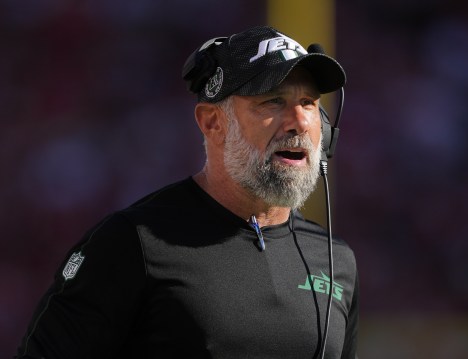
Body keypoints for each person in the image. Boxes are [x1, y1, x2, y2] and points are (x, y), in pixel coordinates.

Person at [16, 25, 359, 359]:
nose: (298, 121)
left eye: (309, 102)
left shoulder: (335, 260)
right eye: (272, 101)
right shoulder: (133, 243)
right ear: (213, 123)